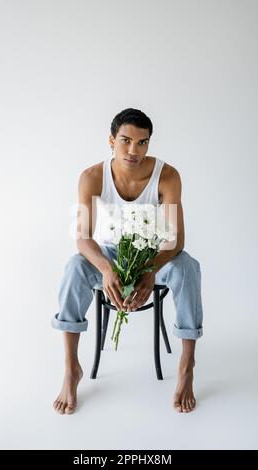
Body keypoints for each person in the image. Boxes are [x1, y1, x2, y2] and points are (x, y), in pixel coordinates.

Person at [52, 108, 203, 414]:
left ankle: (187, 365)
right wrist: (106, 269)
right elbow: (82, 238)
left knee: (188, 267)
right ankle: (71, 369)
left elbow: (176, 240)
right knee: (73, 268)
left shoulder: (168, 175)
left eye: (142, 142)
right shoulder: (92, 176)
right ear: (111, 140)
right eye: (126, 141)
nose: (134, 150)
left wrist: (149, 268)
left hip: (152, 255)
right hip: (108, 253)